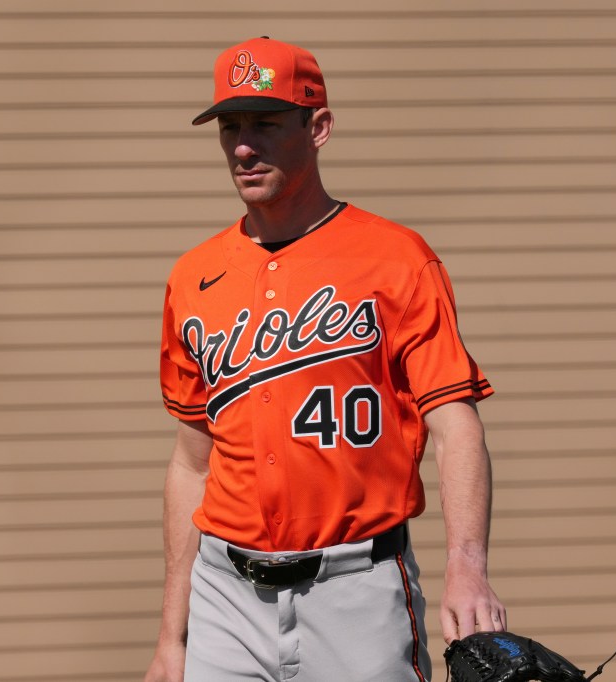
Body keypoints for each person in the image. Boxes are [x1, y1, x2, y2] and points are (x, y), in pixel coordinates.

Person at [146, 37, 506, 682]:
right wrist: (173, 637)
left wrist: (466, 568)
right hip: (224, 595)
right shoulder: (193, 275)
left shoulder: (398, 259)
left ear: (319, 127)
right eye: (231, 127)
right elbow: (190, 463)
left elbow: (455, 426)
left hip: (359, 591)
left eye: (265, 123)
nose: (243, 147)